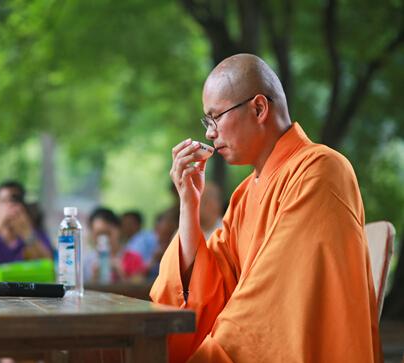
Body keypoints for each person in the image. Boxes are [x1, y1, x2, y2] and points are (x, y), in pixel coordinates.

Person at [150, 54, 380, 362]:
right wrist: (188, 206)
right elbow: (211, 285)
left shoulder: (321, 171)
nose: (209, 132)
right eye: (207, 121)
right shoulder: (246, 193)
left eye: (216, 117)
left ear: (259, 108)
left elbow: (270, 308)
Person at [83, 207, 146, 283]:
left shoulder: (134, 259)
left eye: (108, 233)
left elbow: (139, 289)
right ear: (92, 235)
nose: (104, 239)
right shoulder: (86, 262)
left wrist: (121, 276)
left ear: (119, 230)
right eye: (99, 234)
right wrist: (94, 280)